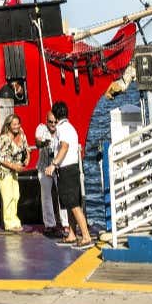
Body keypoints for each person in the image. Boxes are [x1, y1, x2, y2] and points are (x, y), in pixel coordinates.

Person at [44, 102, 93, 247]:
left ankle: (86, 236)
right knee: (70, 204)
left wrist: (54, 164)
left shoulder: (62, 128)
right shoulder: (71, 127)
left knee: (74, 205)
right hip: (73, 168)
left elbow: (64, 147)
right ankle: (72, 234)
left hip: (67, 169)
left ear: (56, 115)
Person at [0, 114, 29, 233]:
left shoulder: (21, 134)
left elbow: (26, 148)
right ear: (8, 126)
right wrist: (14, 166)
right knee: (7, 196)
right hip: (3, 170)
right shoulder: (4, 138)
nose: (17, 126)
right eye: (14, 124)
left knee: (16, 195)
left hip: (14, 170)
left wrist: (27, 158)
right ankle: (10, 223)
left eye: (18, 124)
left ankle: (14, 220)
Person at [31, 109, 60, 234]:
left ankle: (65, 223)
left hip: (57, 166)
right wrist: (44, 143)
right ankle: (49, 224)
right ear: (46, 121)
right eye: (50, 122)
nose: (53, 124)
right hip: (44, 166)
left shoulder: (61, 130)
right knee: (46, 196)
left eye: (55, 121)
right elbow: (37, 143)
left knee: (62, 196)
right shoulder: (41, 128)